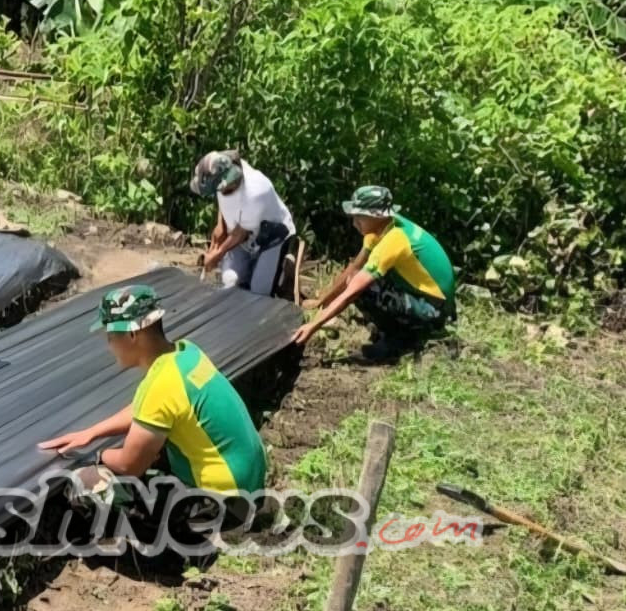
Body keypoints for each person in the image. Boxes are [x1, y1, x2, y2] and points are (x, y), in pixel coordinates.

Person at [38, 285, 267, 534]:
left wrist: (97, 456)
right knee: (152, 449)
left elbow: (129, 465)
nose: (109, 344)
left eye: (110, 335)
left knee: (87, 481)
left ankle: (166, 551)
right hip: (248, 487)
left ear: (133, 334)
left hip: (222, 505)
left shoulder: (162, 384)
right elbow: (145, 409)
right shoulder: (185, 353)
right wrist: (92, 432)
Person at [294, 186, 456, 360]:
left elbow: (352, 291)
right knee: (358, 279)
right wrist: (322, 301)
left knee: (365, 288)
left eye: (359, 217)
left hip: (433, 310)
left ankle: (397, 341)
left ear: (377, 216)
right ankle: (397, 332)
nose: (354, 222)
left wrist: (314, 325)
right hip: (426, 298)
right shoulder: (384, 227)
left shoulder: (395, 239)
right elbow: (354, 268)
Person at [190, 150, 296, 296]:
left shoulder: (257, 193)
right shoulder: (226, 163)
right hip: (246, 235)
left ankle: (283, 274)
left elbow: (239, 234)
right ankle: (254, 269)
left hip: (272, 234)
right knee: (230, 281)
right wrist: (221, 225)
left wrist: (217, 255)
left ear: (227, 184)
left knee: (259, 292)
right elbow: (223, 200)